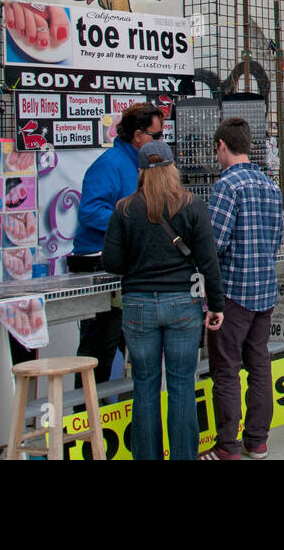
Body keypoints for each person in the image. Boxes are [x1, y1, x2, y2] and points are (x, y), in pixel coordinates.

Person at [103, 140, 224, 460]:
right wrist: (217, 305)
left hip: (138, 305)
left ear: (141, 172)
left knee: (144, 387)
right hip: (182, 305)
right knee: (182, 385)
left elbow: (111, 262)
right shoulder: (192, 205)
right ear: (173, 169)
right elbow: (208, 261)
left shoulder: (124, 209)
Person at [201, 117, 284, 461]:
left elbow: (214, 243)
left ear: (222, 145)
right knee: (259, 364)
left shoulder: (226, 186)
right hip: (264, 290)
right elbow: (276, 240)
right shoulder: (272, 187)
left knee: (226, 369)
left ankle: (227, 445)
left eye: (216, 149)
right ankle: (257, 441)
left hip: (232, 292)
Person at [74, 102, 164, 386]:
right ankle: (87, 417)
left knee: (133, 345)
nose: (161, 141)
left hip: (134, 265)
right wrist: (128, 223)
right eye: (156, 135)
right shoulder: (110, 164)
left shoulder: (145, 163)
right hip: (104, 265)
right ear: (138, 135)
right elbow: (89, 211)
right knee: (101, 344)